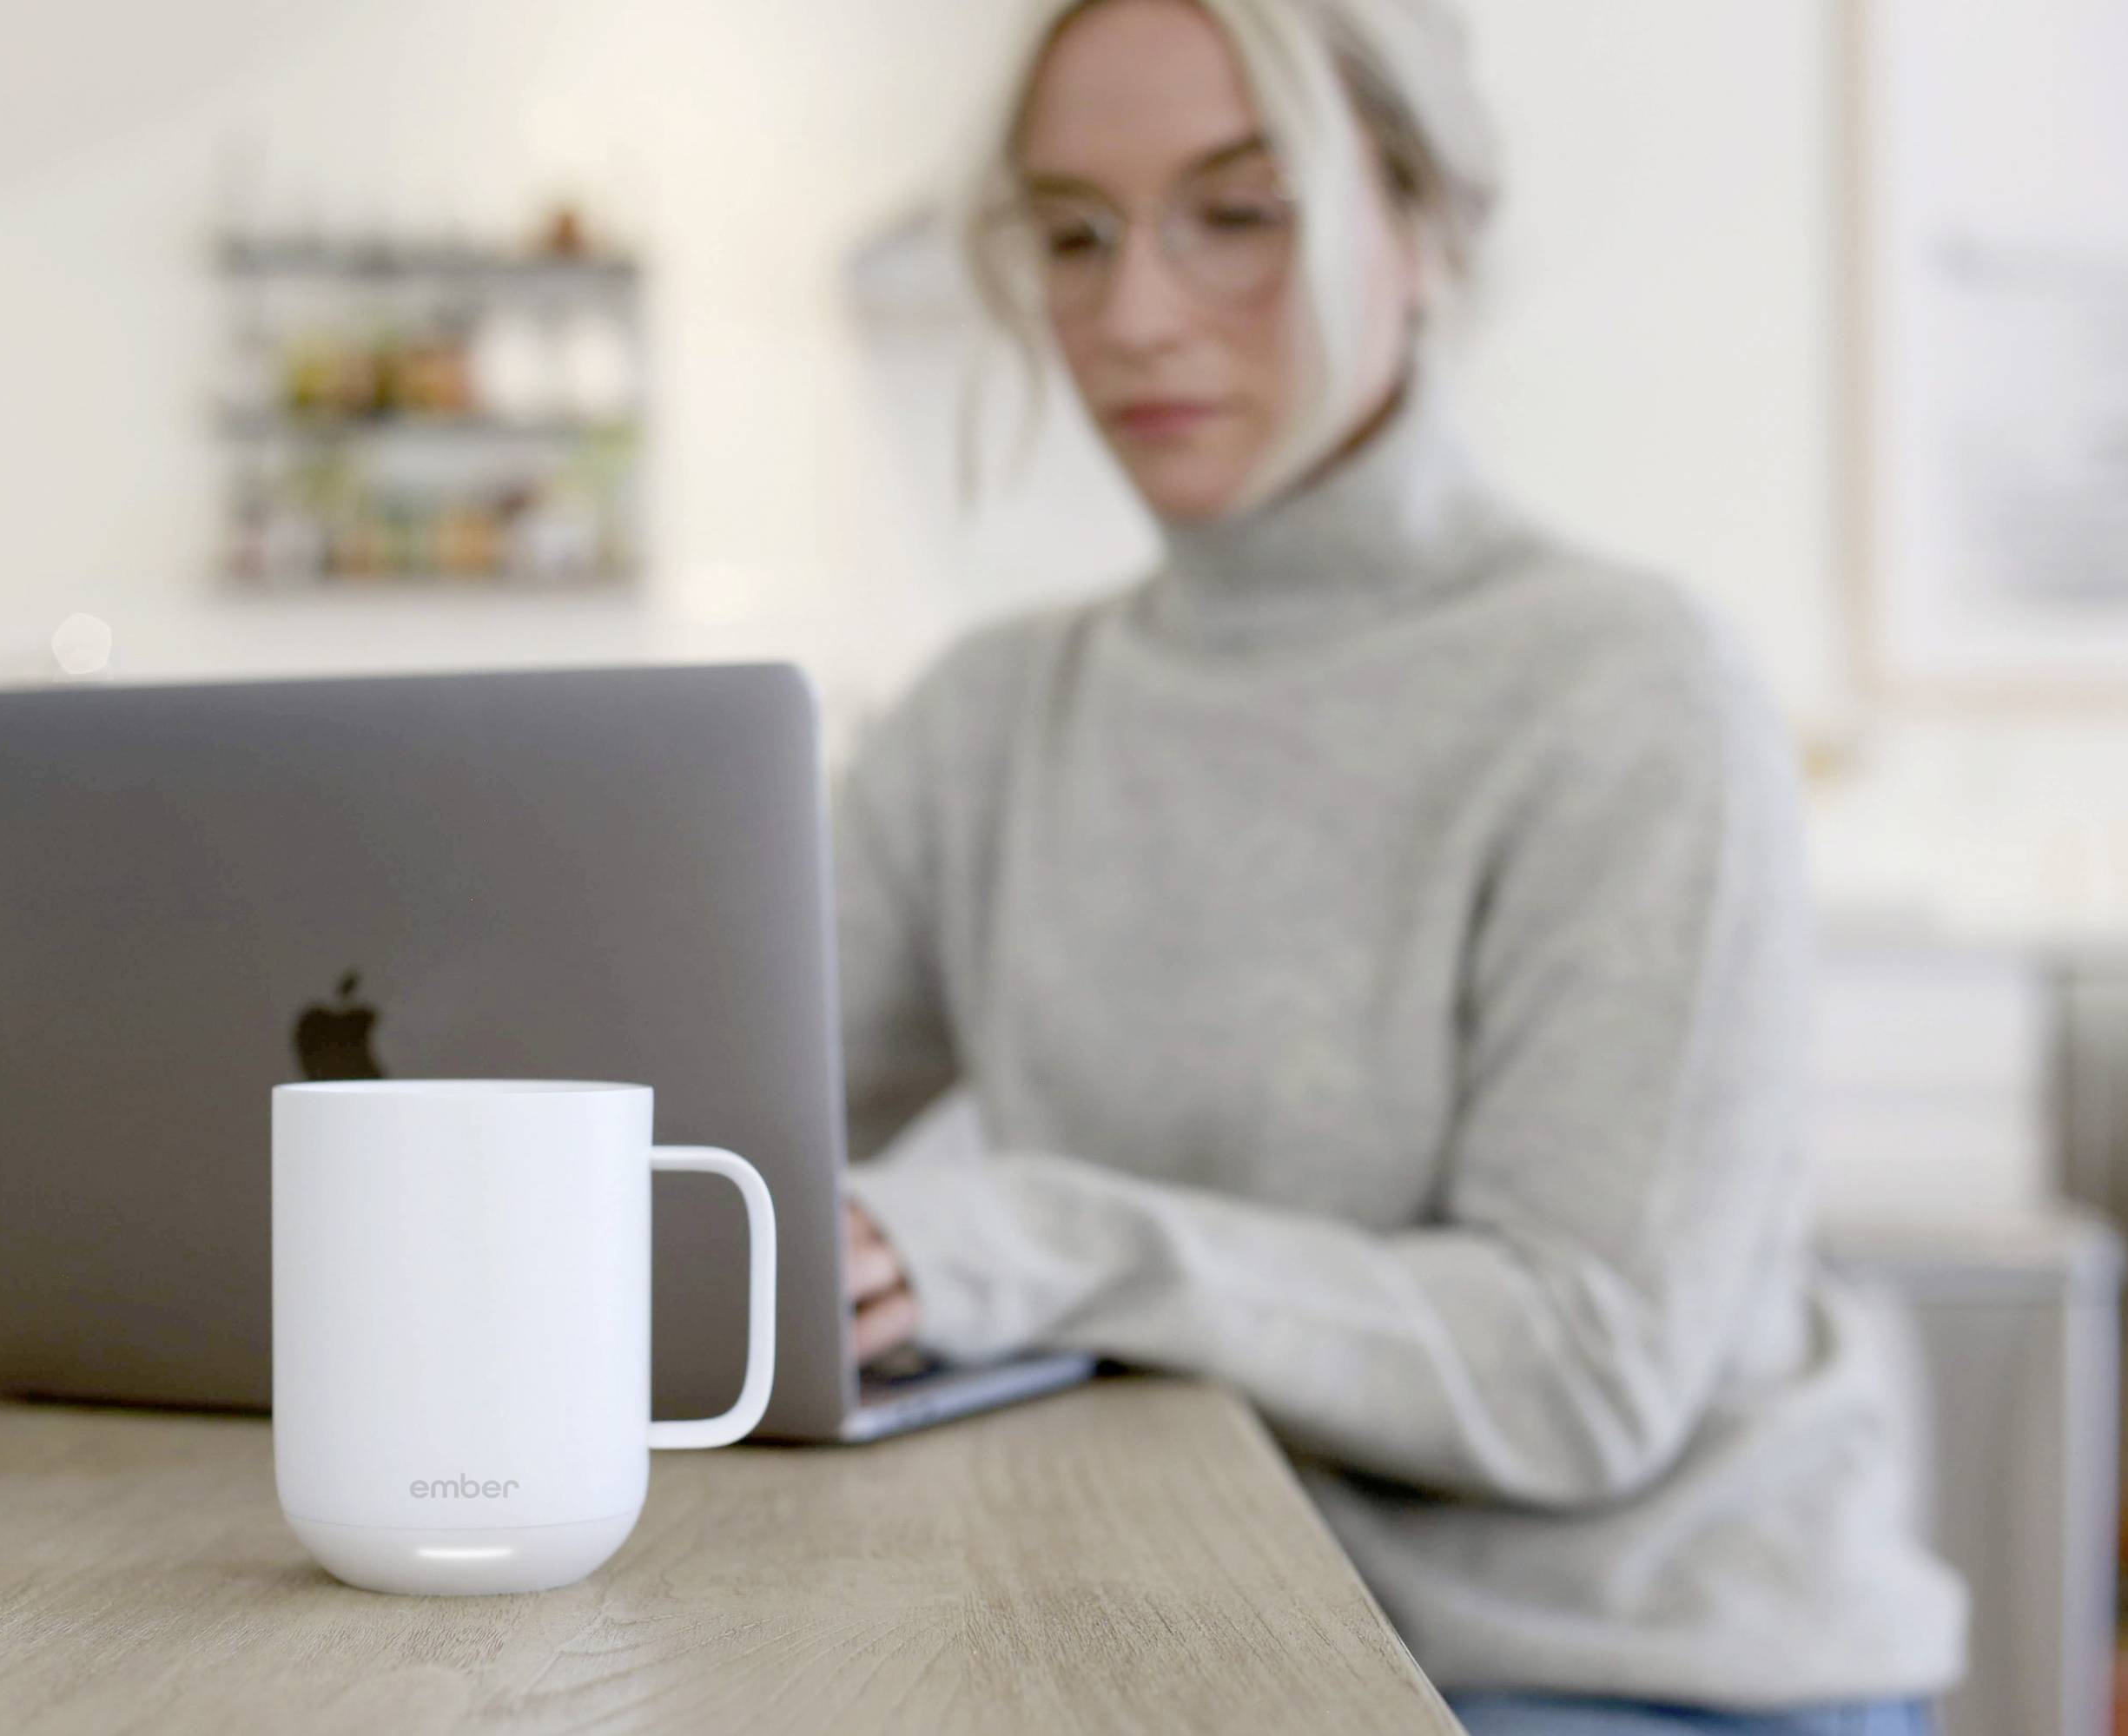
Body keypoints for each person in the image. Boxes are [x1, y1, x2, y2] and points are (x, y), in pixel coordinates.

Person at [829, 2, 1966, 1730]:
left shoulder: (1628, 688)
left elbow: (1587, 1370)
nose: (1133, 312)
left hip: (1623, 1668)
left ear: (1426, 231)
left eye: (1241, 209)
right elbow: (709, 1124)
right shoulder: (992, 719)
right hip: (1206, 1612)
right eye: (1074, 232)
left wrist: (1036, 1240)